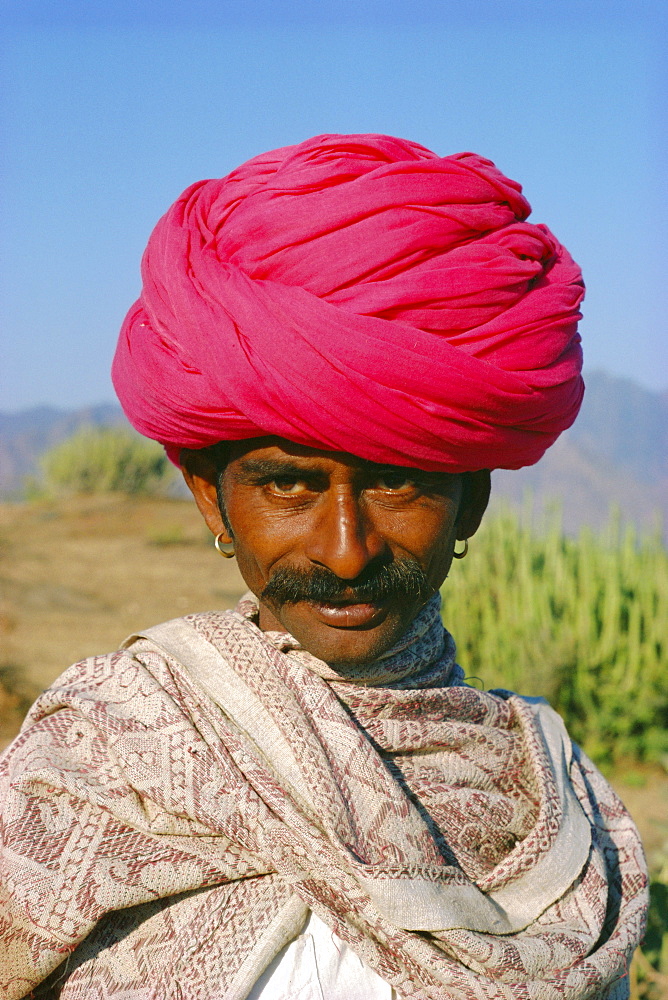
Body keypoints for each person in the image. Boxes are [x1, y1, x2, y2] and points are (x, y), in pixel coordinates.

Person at [0, 134, 647, 999]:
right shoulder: (103, 752)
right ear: (211, 500)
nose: (346, 551)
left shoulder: (559, 793)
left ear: (473, 503)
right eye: (287, 486)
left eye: (398, 485)